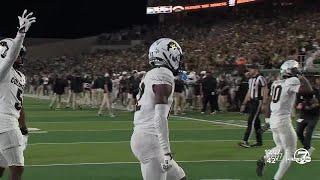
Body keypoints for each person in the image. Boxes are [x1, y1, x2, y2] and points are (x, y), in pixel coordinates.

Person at [130, 38, 186, 180]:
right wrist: (166, 152)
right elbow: (159, 117)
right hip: (151, 140)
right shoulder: (163, 74)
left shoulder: (151, 74)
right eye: (177, 57)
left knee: (179, 177)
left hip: (143, 136)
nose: (178, 60)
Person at [256, 60, 313, 180]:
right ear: (292, 70)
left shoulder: (276, 82)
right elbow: (309, 91)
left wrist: (267, 122)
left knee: (280, 147)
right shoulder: (293, 80)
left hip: (274, 120)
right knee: (291, 152)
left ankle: (264, 159)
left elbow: (269, 102)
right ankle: (277, 178)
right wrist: (301, 76)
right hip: (283, 121)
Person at [0, 10, 36, 180]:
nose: (21, 58)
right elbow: (9, 59)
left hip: (10, 120)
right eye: (19, 54)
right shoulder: (4, 70)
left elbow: (20, 104)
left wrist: (23, 127)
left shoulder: (20, 76)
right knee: (17, 169)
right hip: (5, 122)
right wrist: (20, 34)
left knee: (2, 166)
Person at [239, 64, 268, 148]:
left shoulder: (260, 78)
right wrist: (244, 103)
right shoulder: (251, 80)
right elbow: (249, 91)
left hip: (257, 101)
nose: (249, 71)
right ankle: (259, 141)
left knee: (251, 121)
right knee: (256, 123)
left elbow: (265, 89)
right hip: (252, 101)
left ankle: (246, 141)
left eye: (251, 69)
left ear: (256, 69)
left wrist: (264, 103)